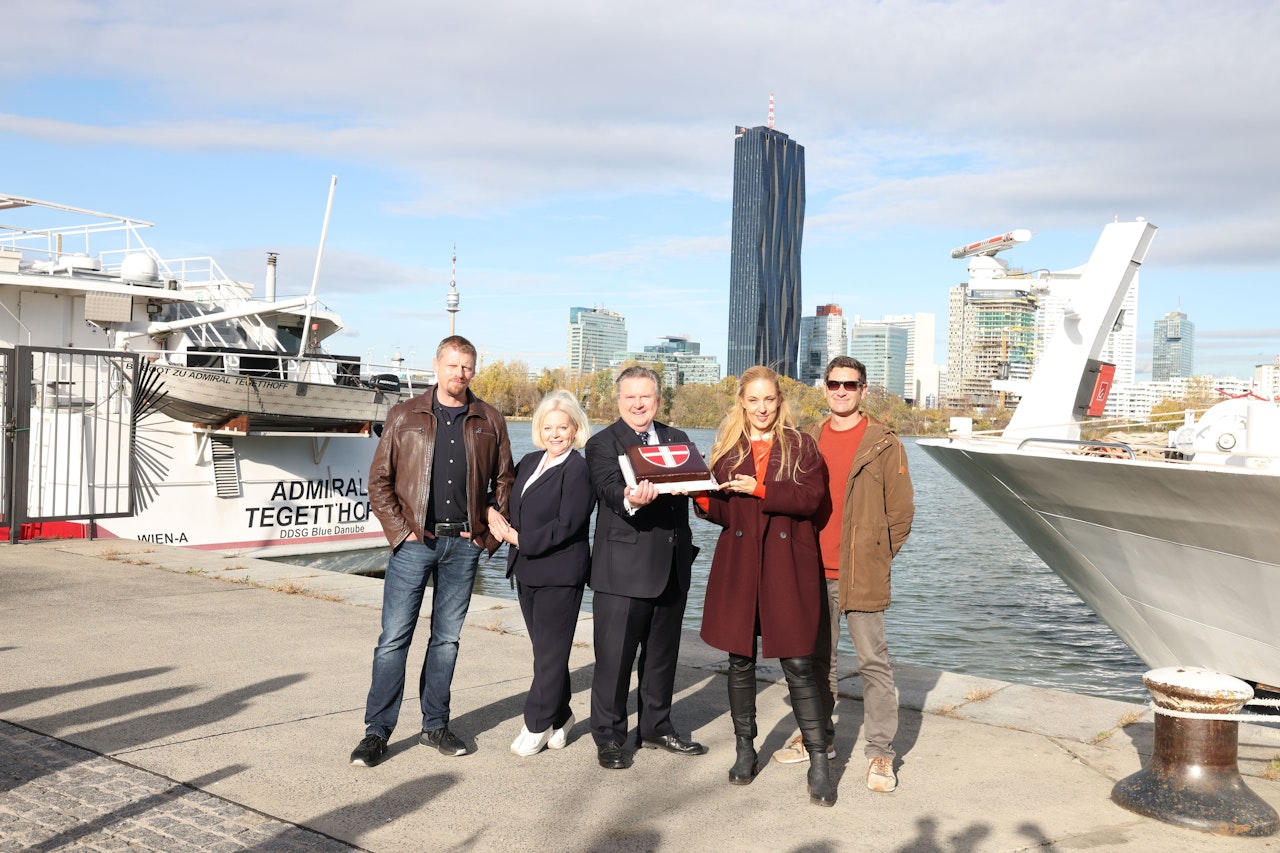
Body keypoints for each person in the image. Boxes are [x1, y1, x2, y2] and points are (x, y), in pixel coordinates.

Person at [350, 335, 515, 767]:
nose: (460, 374)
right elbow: (380, 481)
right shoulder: (404, 415)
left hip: (463, 545)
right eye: (453, 365)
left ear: (473, 371)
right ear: (437, 366)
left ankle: (435, 725)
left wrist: (488, 537)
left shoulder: (489, 419)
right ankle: (376, 732)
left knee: (446, 641)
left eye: (467, 367)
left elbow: (506, 483)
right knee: (392, 641)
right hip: (414, 543)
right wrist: (400, 533)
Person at [772, 355, 914, 795]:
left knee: (873, 663)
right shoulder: (805, 437)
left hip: (860, 574)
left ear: (863, 390)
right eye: (834, 383)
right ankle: (819, 738)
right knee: (819, 663)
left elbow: (901, 514)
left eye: (849, 385)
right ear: (825, 387)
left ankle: (880, 754)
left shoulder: (884, 443)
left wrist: (874, 556)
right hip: (809, 570)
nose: (840, 391)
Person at [696, 365, 836, 806]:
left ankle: (819, 762)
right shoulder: (728, 449)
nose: (761, 407)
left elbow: (811, 500)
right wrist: (699, 497)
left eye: (768, 399)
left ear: (780, 402)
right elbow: (725, 513)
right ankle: (745, 751)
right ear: (742, 402)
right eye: (752, 400)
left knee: (798, 663)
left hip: (786, 566)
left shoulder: (802, 446)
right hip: (740, 567)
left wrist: (759, 488)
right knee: (740, 661)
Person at [585, 365, 707, 770]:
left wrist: (702, 478)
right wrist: (633, 497)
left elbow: (693, 489)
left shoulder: (679, 440)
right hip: (622, 571)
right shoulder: (603, 443)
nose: (638, 404)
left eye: (646, 397)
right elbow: (607, 488)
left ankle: (656, 727)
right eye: (630, 397)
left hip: (671, 567)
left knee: (661, 658)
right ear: (618, 401)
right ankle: (609, 737)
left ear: (658, 400)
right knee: (613, 661)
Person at [497, 390, 595, 757]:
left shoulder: (579, 469)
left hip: (560, 573)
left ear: (575, 429)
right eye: (549, 427)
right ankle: (562, 715)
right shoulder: (529, 461)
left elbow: (567, 524)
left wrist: (519, 538)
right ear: (540, 429)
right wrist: (495, 515)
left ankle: (536, 722)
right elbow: (508, 501)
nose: (556, 434)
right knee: (545, 652)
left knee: (551, 653)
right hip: (527, 571)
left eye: (563, 427)